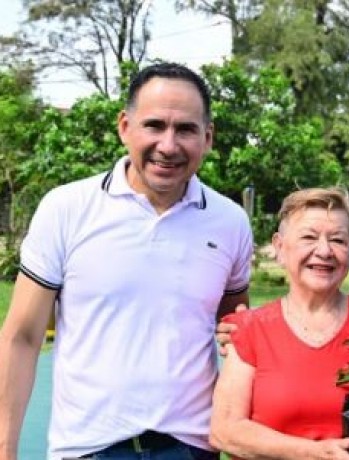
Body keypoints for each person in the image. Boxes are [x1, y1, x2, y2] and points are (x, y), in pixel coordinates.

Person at [0, 63, 253, 459]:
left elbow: (239, 339)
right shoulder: (67, 208)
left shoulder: (230, 222)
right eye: (154, 125)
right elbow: (22, 337)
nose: (168, 145)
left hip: (190, 448)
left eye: (185, 129)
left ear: (207, 138)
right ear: (124, 127)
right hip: (87, 448)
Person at [209, 188, 349, 460]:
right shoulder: (250, 329)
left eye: (338, 240)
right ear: (279, 247)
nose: (324, 251)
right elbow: (224, 431)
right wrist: (315, 453)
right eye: (308, 237)